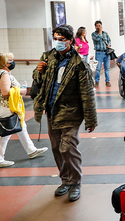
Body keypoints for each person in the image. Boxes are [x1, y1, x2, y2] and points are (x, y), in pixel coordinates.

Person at [32, 24, 97, 202]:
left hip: (71, 111)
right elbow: (37, 80)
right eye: (56, 39)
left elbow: (87, 93)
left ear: (70, 41)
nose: (58, 42)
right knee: (56, 148)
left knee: (67, 147)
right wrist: (39, 71)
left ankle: (75, 182)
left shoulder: (79, 63)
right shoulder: (48, 57)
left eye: (61, 39)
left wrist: (91, 119)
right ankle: (66, 180)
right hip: (52, 111)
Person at [0, 52, 48, 168]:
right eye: (10, 60)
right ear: (4, 63)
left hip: (4, 106)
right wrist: (21, 91)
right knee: (4, 135)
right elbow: (5, 92)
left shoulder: (0, 73)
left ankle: (31, 150)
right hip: (7, 107)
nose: (13, 62)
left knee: (21, 127)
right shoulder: (4, 75)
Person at [91, 20, 111, 87]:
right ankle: (97, 81)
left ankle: (107, 81)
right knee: (98, 68)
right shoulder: (93, 34)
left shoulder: (105, 33)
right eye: (97, 26)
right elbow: (98, 39)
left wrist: (109, 44)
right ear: (95, 27)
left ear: (101, 26)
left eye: (99, 26)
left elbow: (109, 40)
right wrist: (100, 32)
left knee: (107, 68)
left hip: (106, 52)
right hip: (99, 53)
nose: (98, 27)